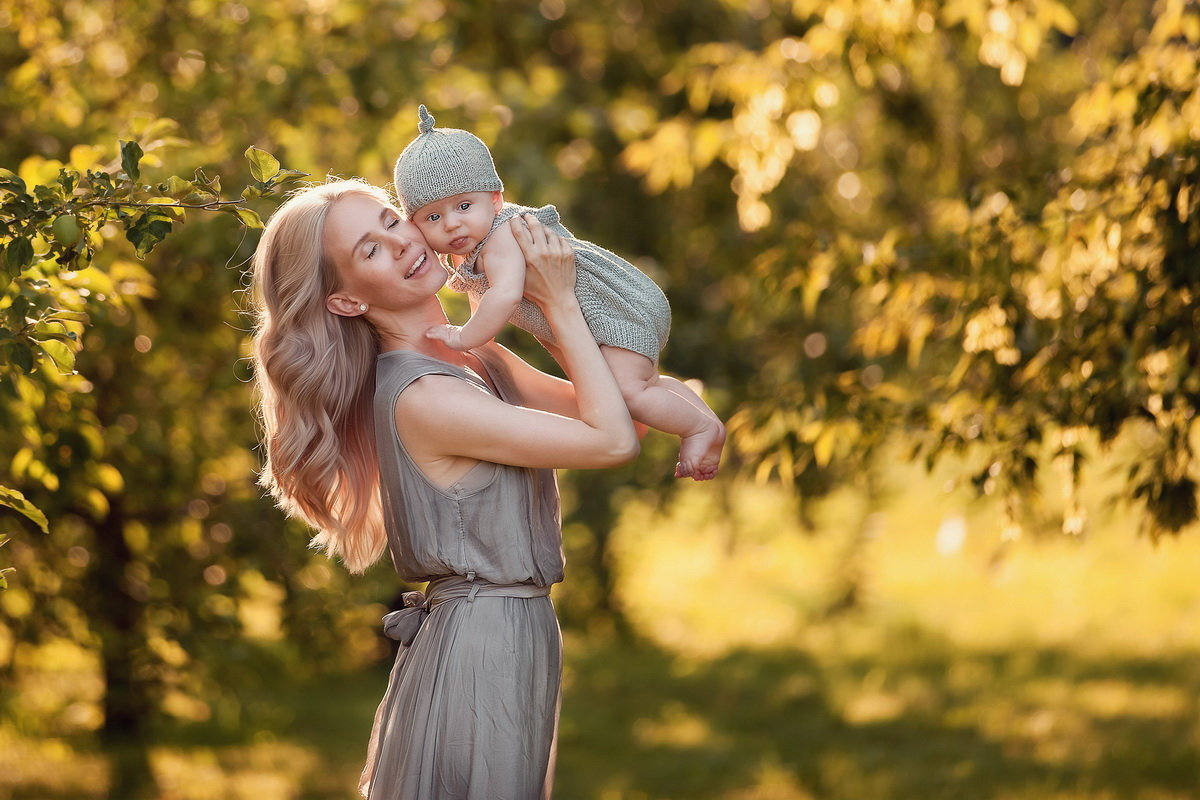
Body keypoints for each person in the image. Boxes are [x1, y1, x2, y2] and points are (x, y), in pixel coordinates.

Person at [249, 178, 639, 799]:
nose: (401, 244)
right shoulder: (425, 395)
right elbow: (613, 443)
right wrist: (559, 304)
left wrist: (536, 305)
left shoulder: (476, 360)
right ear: (347, 302)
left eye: (390, 221)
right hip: (481, 647)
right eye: (370, 251)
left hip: (517, 629)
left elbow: (627, 410)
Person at [394, 105, 725, 481]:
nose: (452, 223)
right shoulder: (475, 248)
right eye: (433, 217)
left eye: (464, 206)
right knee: (639, 389)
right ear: (416, 225)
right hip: (620, 307)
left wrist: (462, 336)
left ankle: (698, 429)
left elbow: (502, 297)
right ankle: (706, 420)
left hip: (614, 313)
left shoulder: (501, 238)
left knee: (628, 393)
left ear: (495, 199)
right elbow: (483, 297)